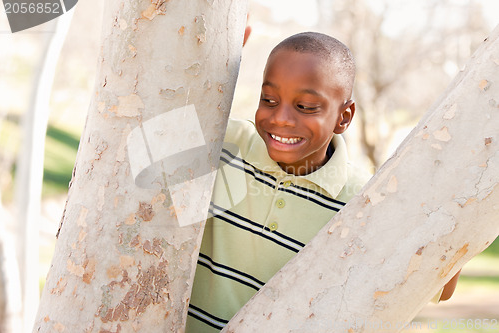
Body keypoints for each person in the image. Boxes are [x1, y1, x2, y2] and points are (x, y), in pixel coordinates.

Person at [185, 32, 457, 332]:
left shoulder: (363, 201)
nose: (281, 118)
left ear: (344, 116)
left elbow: (441, 285)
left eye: (306, 107)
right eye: (269, 100)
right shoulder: (223, 141)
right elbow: (143, 139)